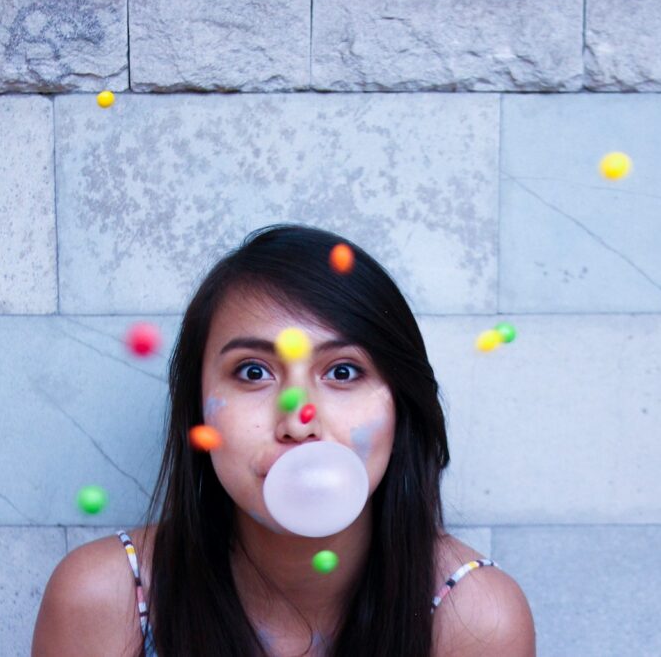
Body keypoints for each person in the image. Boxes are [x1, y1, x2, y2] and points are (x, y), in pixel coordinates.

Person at [31, 225, 535, 656]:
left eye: (342, 371)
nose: (298, 420)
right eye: (253, 372)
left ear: (402, 406)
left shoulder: (476, 618)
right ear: (197, 410)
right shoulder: (105, 598)